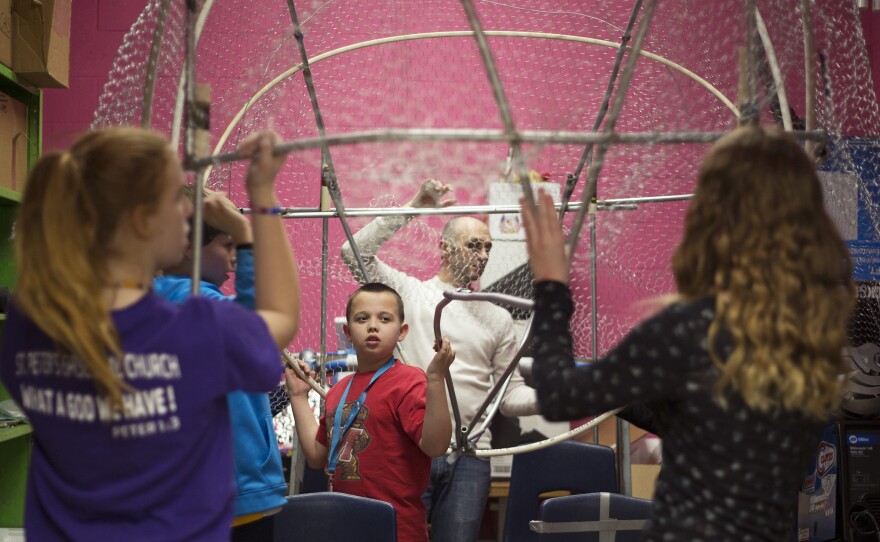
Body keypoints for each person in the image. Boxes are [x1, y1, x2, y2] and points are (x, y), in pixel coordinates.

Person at [521, 125, 855, 542]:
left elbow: (558, 395)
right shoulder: (811, 343)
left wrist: (552, 286)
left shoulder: (690, 330)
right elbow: (709, 424)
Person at [0, 127, 300, 541]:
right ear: (142, 220)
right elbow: (279, 318)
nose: (189, 210)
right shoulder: (193, 331)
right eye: (177, 196)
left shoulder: (27, 323)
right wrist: (260, 202)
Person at [340, 179, 539, 542]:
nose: (482, 255)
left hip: (472, 455)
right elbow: (354, 253)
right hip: (408, 447)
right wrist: (415, 205)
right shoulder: (411, 295)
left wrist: (561, 397)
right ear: (444, 248)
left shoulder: (498, 317)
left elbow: (509, 397)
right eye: (473, 245)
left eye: (488, 247)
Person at [153, 186, 287, 541]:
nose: (233, 257)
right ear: (185, 247)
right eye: (227, 246)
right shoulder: (193, 301)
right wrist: (245, 233)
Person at [286, 282, 456, 542]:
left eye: (384, 319)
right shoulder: (339, 390)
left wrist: (435, 379)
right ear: (348, 331)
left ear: (402, 331)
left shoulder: (409, 381)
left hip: (397, 530)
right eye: (362, 318)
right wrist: (298, 396)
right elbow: (317, 457)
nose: (373, 326)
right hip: (342, 526)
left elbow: (435, 445)